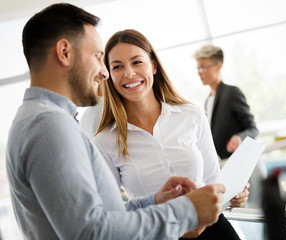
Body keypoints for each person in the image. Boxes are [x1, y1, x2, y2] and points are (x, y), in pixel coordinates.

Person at [6, 4, 226, 239]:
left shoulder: (43, 120)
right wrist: (187, 210)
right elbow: (93, 233)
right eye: (98, 57)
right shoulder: (47, 126)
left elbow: (101, 216)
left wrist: (155, 201)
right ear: (65, 52)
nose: (104, 72)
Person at [94, 29, 249, 239]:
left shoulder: (191, 115)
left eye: (137, 62)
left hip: (213, 231)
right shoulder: (104, 141)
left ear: (154, 66)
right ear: (109, 75)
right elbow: (111, 212)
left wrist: (234, 196)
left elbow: (214, 182)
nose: (128, 73)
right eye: (117, 66)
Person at [193, 44, 259, 161]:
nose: (199, 72)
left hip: (237, 163)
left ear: (218, 66)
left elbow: (253, 129)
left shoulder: (231, 92)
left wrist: (239, 137)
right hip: (221, 164)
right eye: (198, 68)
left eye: (203, 67)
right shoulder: (208, 100)